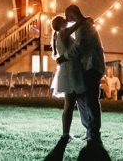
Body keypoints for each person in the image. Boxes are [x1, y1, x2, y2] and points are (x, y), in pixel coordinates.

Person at [60, 4, 105, 145]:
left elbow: (79, 46)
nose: (68, 21)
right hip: (88, 67)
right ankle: (90, 129)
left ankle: (94, 132)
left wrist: (64, 57)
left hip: (92, 66)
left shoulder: (84, 27)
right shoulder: (83, 25)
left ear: (72, 14)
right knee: (85, 99)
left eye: (68, 17)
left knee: (91, 100)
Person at [48, 15, 83, 147]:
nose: (66, 20)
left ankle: (65, 133)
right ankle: (67, 133)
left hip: (66, 70)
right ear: (61, 23)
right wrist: (82, 20)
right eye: (64, 19)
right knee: (70, 104)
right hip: (70, 71)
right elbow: (77, 25)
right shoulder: (63, 32)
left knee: (69, 104)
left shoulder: (58, 36)